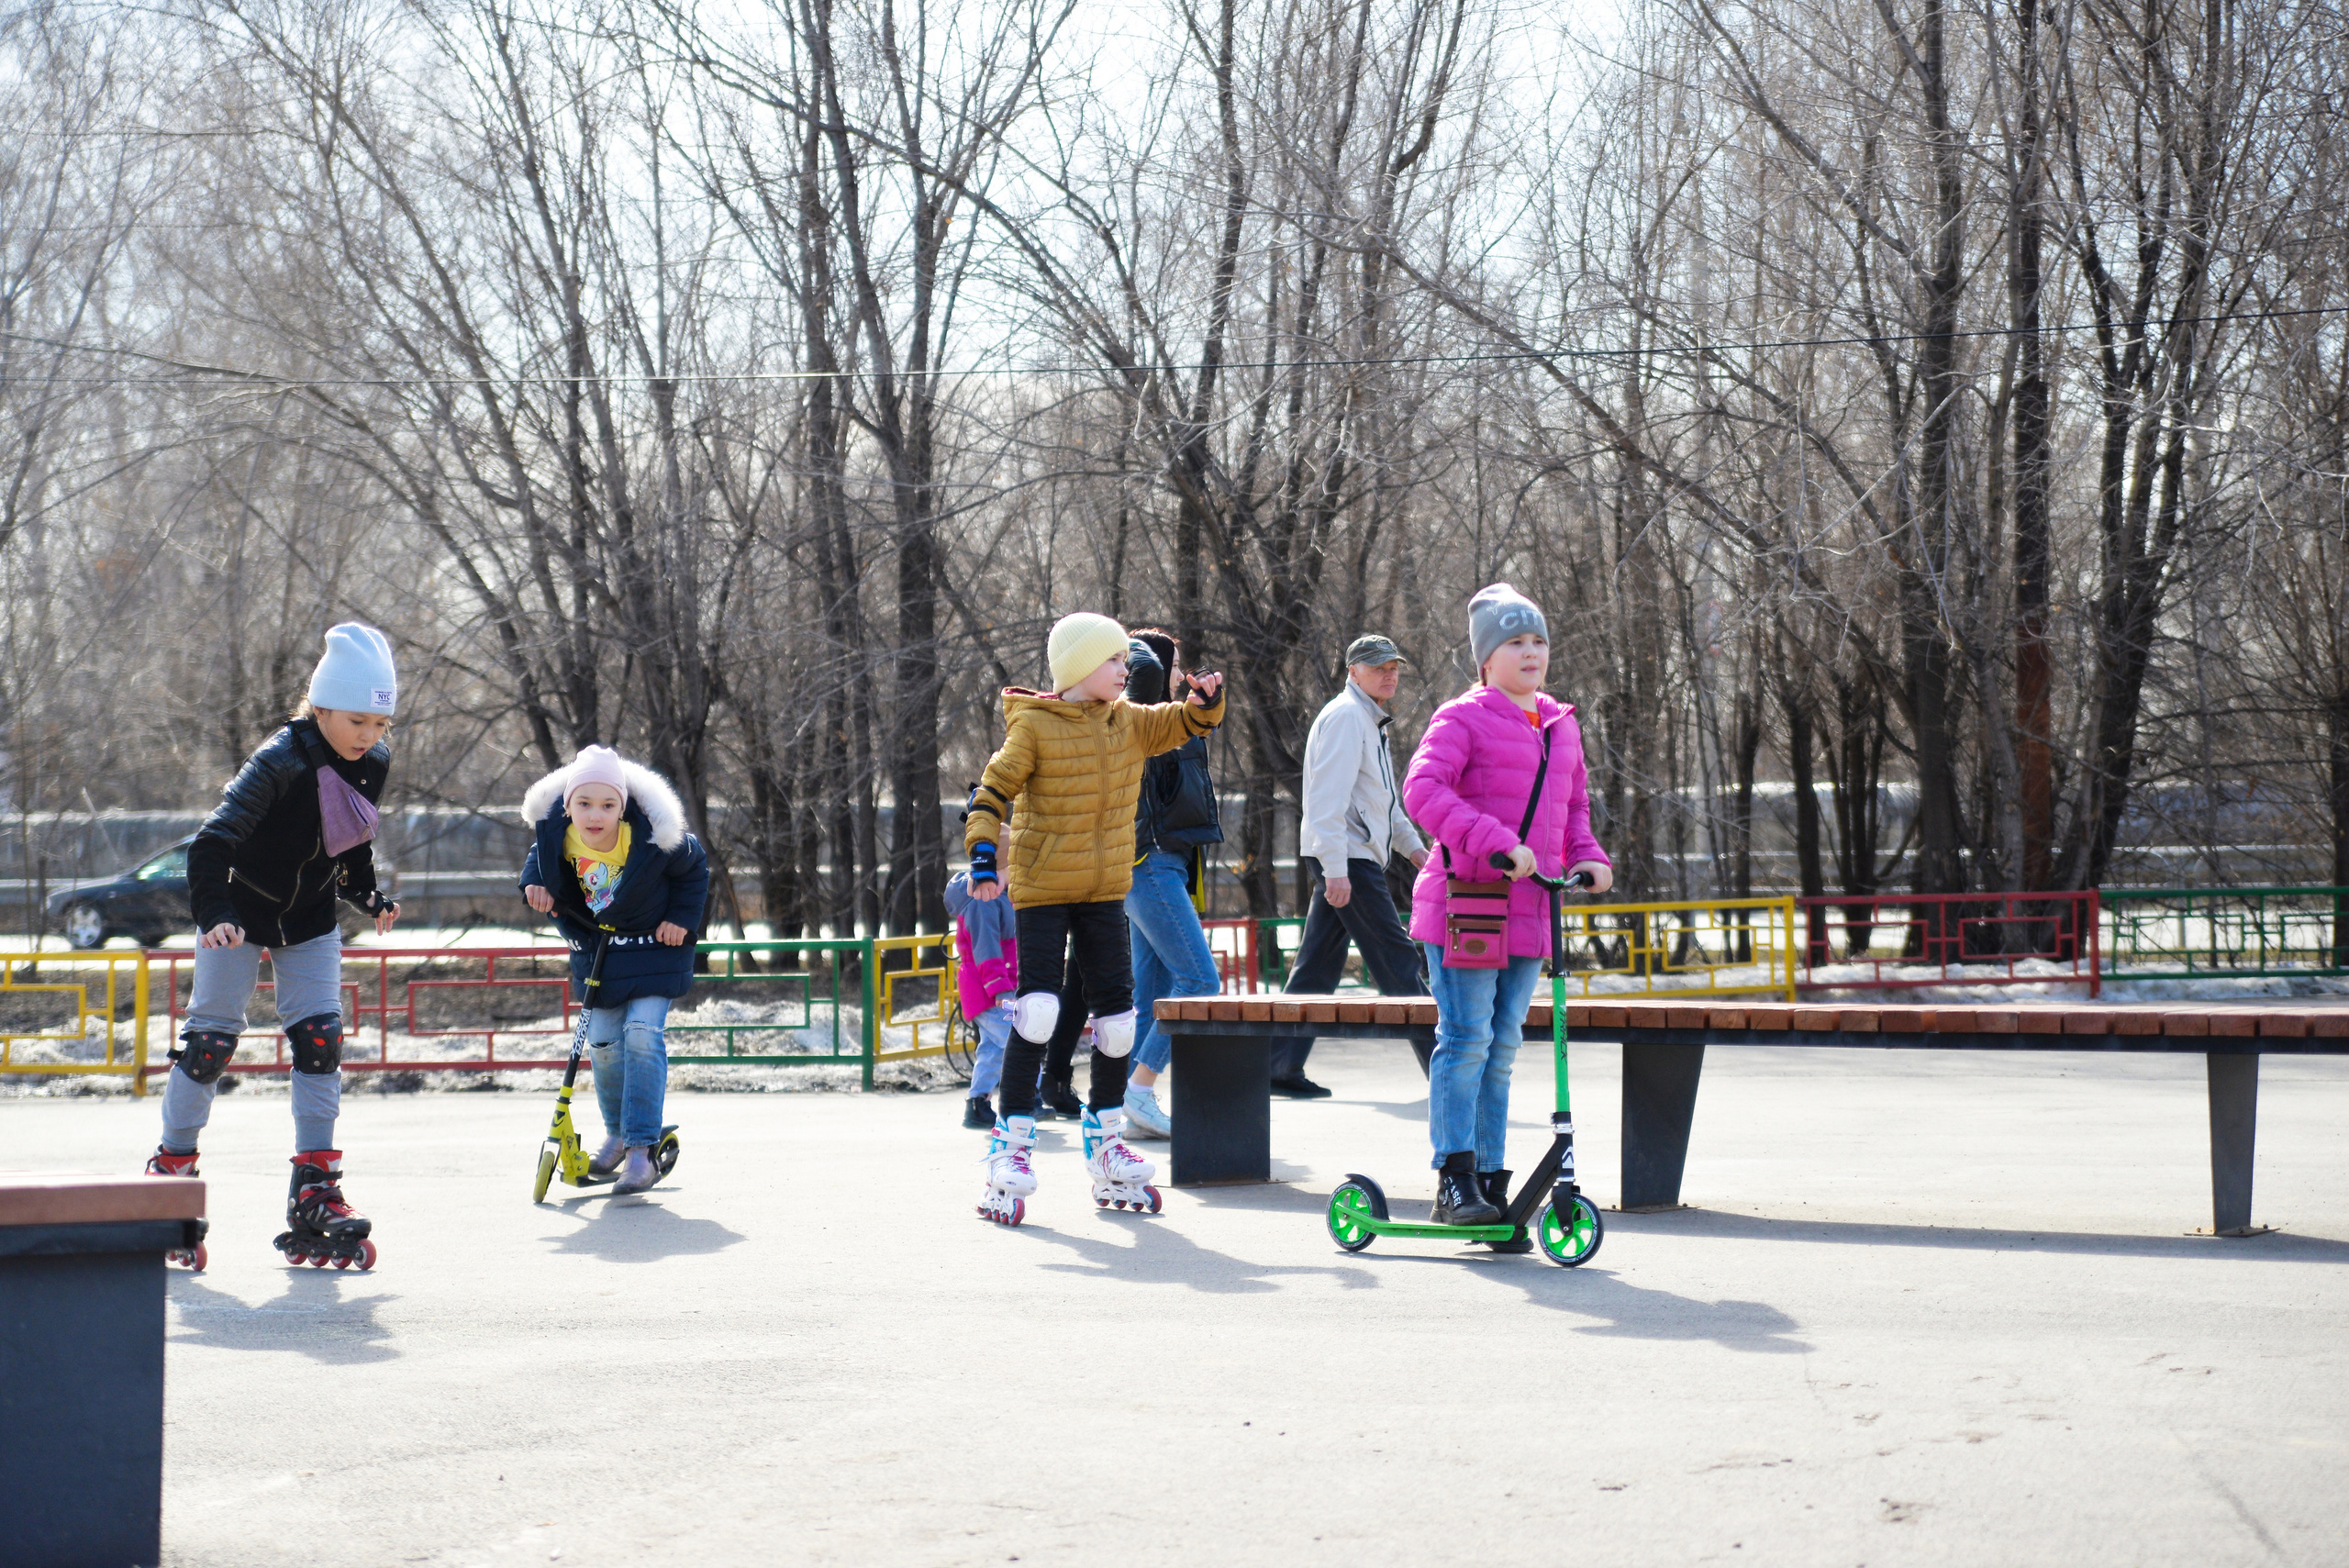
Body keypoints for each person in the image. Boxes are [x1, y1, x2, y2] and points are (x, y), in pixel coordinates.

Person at [144, 623, 402, 1270]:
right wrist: (216, 911)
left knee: (320, 1038)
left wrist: (366, 895)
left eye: (380, 721)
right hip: (239, 911)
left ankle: (316, 1186)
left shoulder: (374, 761)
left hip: (310, 918)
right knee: (211, 1042)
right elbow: (211, 842)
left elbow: (351, 837)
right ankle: (170, 1169)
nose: (369, 735)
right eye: (356, 720)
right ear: (320, 707)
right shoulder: (280, 758)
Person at [964, 611, 1226, 1223]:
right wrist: (982, 855)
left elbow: (1185, 723)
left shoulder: (1129, 723)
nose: (1126, 670)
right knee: (1039, 1011)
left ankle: (1106, 1138)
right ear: (1080, 666)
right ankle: (1011, 1142)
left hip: (1104, 886)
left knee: (1116, 1021)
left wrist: (1205, 701)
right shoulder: (1034, 728)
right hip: (1044, 885)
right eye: (1114, 660)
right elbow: (992, 790)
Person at [1401, 584, 1611, 1234]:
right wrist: (1498, 844)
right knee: (1465, 1041)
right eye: (1515, 642)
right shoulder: (1462, 717)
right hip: (1467, 903)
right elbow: (1422, 791)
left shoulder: (1560, 722)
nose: (1530, 652)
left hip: (1531, 908)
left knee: (1503, 1048)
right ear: (1486, 658)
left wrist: (1590, 855)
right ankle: (1454, 1177)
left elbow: (1571, 810)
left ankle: (1492, 1179)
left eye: (1538, 641)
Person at [520, 745, 710, 1197]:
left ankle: (642, 1150)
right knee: (604, 1043)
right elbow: (539, 861)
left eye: (608, 805)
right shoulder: (559, 837)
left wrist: (681, 921)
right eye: (584, 803)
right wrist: (534, 884)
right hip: (601, 953)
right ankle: (618, 1134)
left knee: (643, 1034)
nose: (595, 815)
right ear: (567, 806)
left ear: (623, 808)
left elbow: (695, 869)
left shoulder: (652, 840)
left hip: (654, 948)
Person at [1266, 634, 1431, 1097]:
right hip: (1347, 858)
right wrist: (1334, 867)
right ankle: (1448, 1071)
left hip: (1352, 856)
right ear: (1353, 671)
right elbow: (1325, 801)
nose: (1390, 674)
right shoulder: (1345, 718)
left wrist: (1416, 851)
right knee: (1398, 960)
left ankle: (1278, 1066)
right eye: (1379, 667)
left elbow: (1385, 804)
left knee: (1317, 966)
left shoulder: (1369, 720)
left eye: (1394, 666)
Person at [1119, 629, 1225, 1140]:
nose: (1183, 672)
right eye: (1174, 664)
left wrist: (1203, 701)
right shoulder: (1137, 719)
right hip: (1149, 860)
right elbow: (1138, 688)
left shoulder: (1170, 722)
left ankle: (1132, 1106)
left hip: (1166, 860)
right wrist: (1144, 661)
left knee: (1155, 993)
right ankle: (1140, 1090)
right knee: (1201, 982)